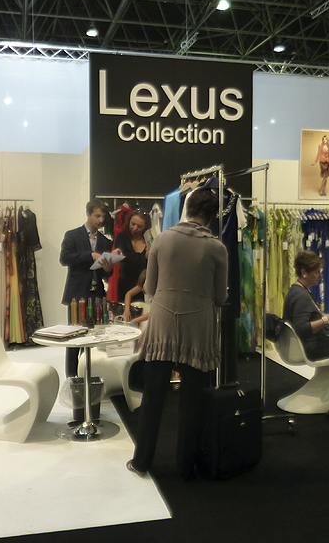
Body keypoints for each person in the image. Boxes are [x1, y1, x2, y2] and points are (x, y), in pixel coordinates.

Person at [127, 188, 228, 480]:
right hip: (198, 328)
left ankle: (141, 461)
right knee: (192, 400)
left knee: (153, 396)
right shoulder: (217, 248)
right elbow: (220, 297)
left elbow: (149, 289)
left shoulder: (162, 239)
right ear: (212, 216)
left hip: (162, 324)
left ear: (187, 208)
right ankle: (186, 467)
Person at [59, 198, 113, 377]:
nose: (100, 220)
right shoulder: (72, 235)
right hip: (77, 294)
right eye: (97, 216)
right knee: (75, 337)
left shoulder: (105, 241)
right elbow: (64, 259)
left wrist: (108, 268)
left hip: (97, 294)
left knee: (96, 336)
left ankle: (90, 375)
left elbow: (106, 275)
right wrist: (89, 255)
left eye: (102, 217)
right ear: (88, 214)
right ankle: (72, 378)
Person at [282, 250, 329, 374]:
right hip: (309, 347)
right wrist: (328, 319)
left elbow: (310, 316)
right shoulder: (302, 296)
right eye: (317, 272)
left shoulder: (299, 290)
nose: (320, 276)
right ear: (304, 273)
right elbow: (301, 328)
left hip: (304, 343)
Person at [113, 211, 151, 302]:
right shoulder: (122, 237)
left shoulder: (149, 240)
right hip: (125, 285)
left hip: (144, 286)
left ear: (145, 227)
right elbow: (119, 253)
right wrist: (116, 254)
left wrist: (151, 257)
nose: (135, 228)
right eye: (133, 224)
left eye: (139, 226)